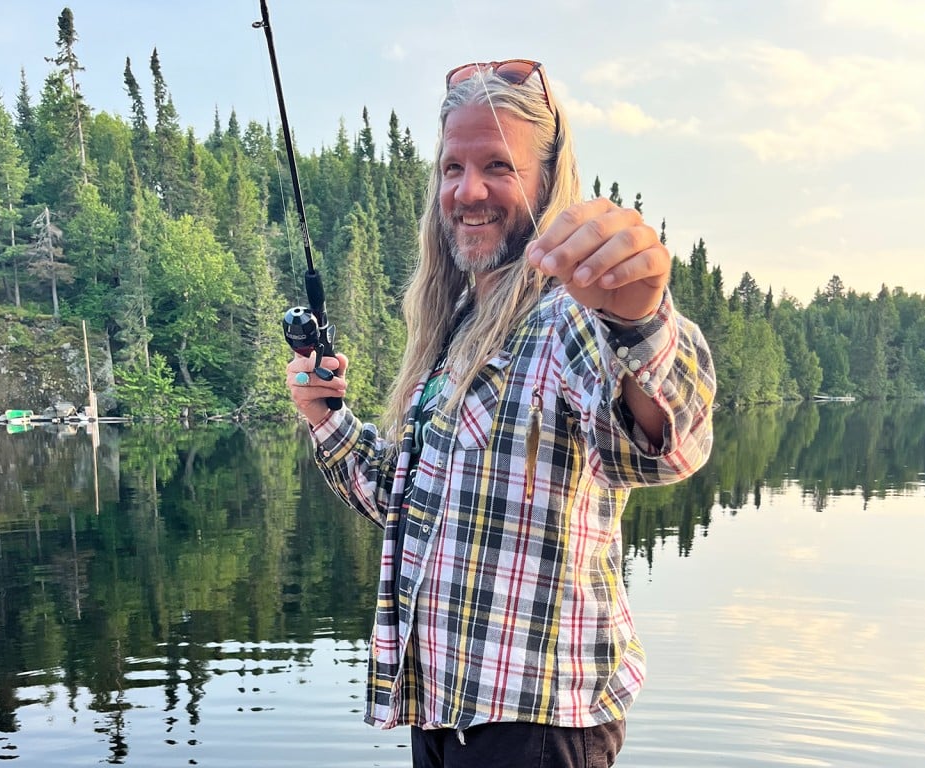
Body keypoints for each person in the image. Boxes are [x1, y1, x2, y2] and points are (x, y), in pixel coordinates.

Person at [286, 59, 716, 768]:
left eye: (498, 166)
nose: (469, 190)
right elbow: (403, 499)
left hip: (538, 729)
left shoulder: (568, 315)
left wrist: (640, 316)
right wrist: (325, 415)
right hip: (447, 712)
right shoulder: (455, 325)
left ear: (548, 182)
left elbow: (667, 446)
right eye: (452, 168)